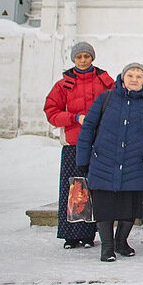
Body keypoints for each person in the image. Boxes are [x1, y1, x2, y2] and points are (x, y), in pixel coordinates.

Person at [76, 62, 143, 262]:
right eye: (130, 75)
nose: (134, 79)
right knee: (104, 207)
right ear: (122, 77)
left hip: (135, 164)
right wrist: (83, 158)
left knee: (130, 207)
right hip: (104, 161)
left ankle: (121, 241)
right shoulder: (106, 98)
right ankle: (107, 247)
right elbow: (87, 128)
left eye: (139, 76)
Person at [44, 42, 113, 249]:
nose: (83, 60)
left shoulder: (104, 80)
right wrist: (74, 117)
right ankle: (72, 234)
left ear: (92, 57)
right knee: (75, 188)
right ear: (73, 59)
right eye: (79, 57)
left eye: (86, 56)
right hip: (74, 142)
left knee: (96, 188)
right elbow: (51, 111)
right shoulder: (63, 84)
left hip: (100, 142)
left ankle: (90, 233)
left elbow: (114, 104)